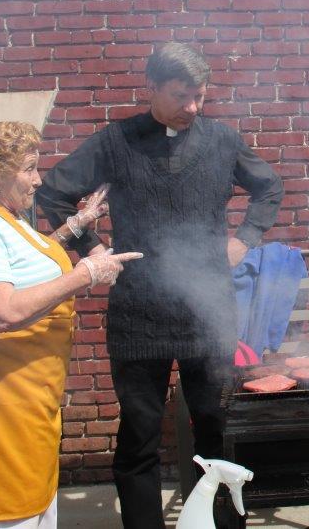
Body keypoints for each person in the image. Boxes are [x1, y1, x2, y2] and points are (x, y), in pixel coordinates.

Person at [36, 43, 283, 528]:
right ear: (150, 88)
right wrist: (92, 248)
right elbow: (53, 191)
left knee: (214, 426)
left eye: (200, 96)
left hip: (207, 308)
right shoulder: (116, 141)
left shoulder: (222, 140)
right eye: (180, 96)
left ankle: (218, 524)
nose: (192, 107)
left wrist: (246, 239)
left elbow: (268, 186)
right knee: (140, 433)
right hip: (138, 312)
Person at [0, 121, 139, 528]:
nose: (38, 179)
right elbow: (4, 311)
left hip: (22, 384)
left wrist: (78, 224)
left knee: (33, 498)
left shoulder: (1, 217)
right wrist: (87, 273)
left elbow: (27, 262)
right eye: (29, 168)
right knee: (10, 509)